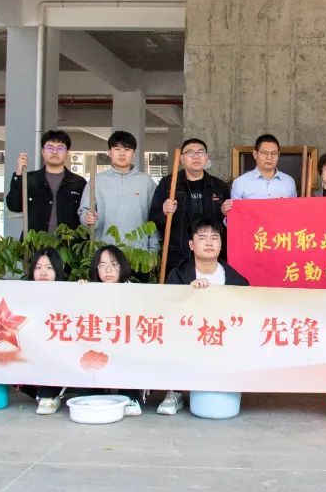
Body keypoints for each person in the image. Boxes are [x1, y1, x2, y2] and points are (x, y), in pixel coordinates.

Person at [0, 248, 72, 415]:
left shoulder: (68, 294)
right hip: (27, 351)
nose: (43, 272)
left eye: (49, 267)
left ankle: (49, 394)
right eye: (38, 267)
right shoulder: (19, 292)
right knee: (4, 357)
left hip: (54, 353)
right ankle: (41, 394)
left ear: (57, 271)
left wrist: (86, 289)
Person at [160, 218, 250, 415]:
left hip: (222, 338)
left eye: (214, 238)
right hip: (187, 336)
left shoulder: (236, 280)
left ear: (221, 245)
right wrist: (187, 293)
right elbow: (166, 310)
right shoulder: (178, 275)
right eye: (202, 238)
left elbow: (245, 314)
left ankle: (228, 388)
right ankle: (175, 391)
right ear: (191, 245)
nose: (209, 243)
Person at [149, 137, 228, 271]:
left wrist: (226, 215)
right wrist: (164, 213)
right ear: (182, 158)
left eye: (200, 152)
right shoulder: (168, 184)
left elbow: (227, 224)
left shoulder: (218, 186)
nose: (196, 156)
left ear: (206, 157)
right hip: (177, 256)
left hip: (211, 256)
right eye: (190, 153)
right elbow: (153, 220)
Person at [88, 245, 144, 416]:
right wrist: (81, 291)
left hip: (126, 346)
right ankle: (95, 393)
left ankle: (130, 396)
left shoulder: (136, 293)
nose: (108, 270)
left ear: (122, 267)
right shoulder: (89, 291)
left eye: (113, 264)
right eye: (102, 265)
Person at [78, 131, 158, 252]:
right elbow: (84, 211)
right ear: (110, 152)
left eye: (127, 149)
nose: (122, 153)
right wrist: (87, 218)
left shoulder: (146, 181)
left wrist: (154, 250)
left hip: (139, 252)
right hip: (104, 251)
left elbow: (154, 218)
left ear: (133, 153)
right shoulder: (97, 181)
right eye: (117, 149)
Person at [5, 130, 86, 234]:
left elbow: (85, 214)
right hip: (35, 242)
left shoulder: (78, 183)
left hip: (68, 242)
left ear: (67, 152)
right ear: (43, 151)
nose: (55, 152)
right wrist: (19, 173)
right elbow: (14, 206)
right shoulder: (29, 179)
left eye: (60, 148)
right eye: (50, 148)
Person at [224, 133, 297, 211]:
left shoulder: (289, 182)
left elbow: (293, 212)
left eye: (274, 153)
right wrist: (226, 212)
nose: (269, 157)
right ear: (255, 154)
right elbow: (235, 215)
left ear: (278, 154)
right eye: (264, 153)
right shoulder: (240, 183)